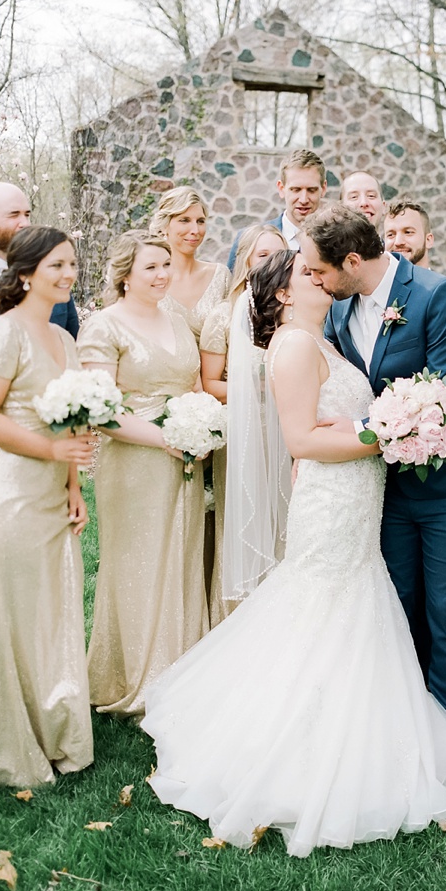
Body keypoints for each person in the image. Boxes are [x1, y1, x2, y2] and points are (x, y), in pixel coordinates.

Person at [141, 249, 446, 857]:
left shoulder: (322, 341)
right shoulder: (294, 348)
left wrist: (376, 428)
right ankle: (299, 740)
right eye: (308, 273)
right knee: (324, 605)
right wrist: (389, 432)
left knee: (354, 604)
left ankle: (360, 728)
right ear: (280, 296)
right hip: (333, 501)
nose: (321, 276)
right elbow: (300, 438)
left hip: (355, 495)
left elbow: (327, 426)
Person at [301, 205, 446, 733]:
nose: (314, 280)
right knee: (399, 601)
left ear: (354, 260)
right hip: (382, 486)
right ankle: (406, 712)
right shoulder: (340, 310)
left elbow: (443, 391)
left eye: (320, 270)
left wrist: (353, 428)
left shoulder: (437, 295)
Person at [0, 226, 94, 786]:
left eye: (71, 264)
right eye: (56, 267)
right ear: (24, 275)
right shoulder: (1, 335)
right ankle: (4, 734)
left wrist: (72, 484)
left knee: (50, 609)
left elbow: (72, 419)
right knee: (9, 611)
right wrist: (48, 448)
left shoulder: (64, 339)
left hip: (52, 491)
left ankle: (52, 727)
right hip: (10, 491)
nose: (68, 274)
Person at [77, 231, 208, 717]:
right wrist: (164, 439)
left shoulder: (175, 318)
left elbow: (192, 384)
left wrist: (200, 428)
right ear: (125, 274)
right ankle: (130, 675)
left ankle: (179, 667)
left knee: (181, 554)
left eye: (166, 265)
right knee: (138, 562)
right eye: (151, 267)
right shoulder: (104, 327)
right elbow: (101, 410)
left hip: (186, 458)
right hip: (134, 462)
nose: (162, 275)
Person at [200, 223, 288, 626]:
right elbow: (208, 382)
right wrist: (255, 394)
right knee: (244, 519)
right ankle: (236, 618)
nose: (273, 263)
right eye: (262, 255)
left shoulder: (293, 313)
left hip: (288, 430)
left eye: (279, 254)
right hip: (243, 435)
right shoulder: (223, 315)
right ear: (247, 263)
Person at [0, 181, 79, 472]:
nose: (25, 222)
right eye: (14, 214)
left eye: (28, 214)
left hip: (50, 457)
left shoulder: (56, 287)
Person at [150, 186, 231, 341]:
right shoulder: (151, 278)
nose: (195, 230)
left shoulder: (221, 277)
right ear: (165, 225)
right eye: (184, 220)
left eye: (200, 221)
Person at [227, 149, 327, 270]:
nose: (303, 199)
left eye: (311, 190)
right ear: (281, 188)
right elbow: (235, 286)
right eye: (296, 189)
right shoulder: (248, 240)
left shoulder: (336, 240)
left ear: (323, 188)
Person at [383, 197, 435, 268]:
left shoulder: (443, 279)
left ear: (428, 240)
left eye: (408, 232)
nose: (398, 242)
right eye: (391, 235)